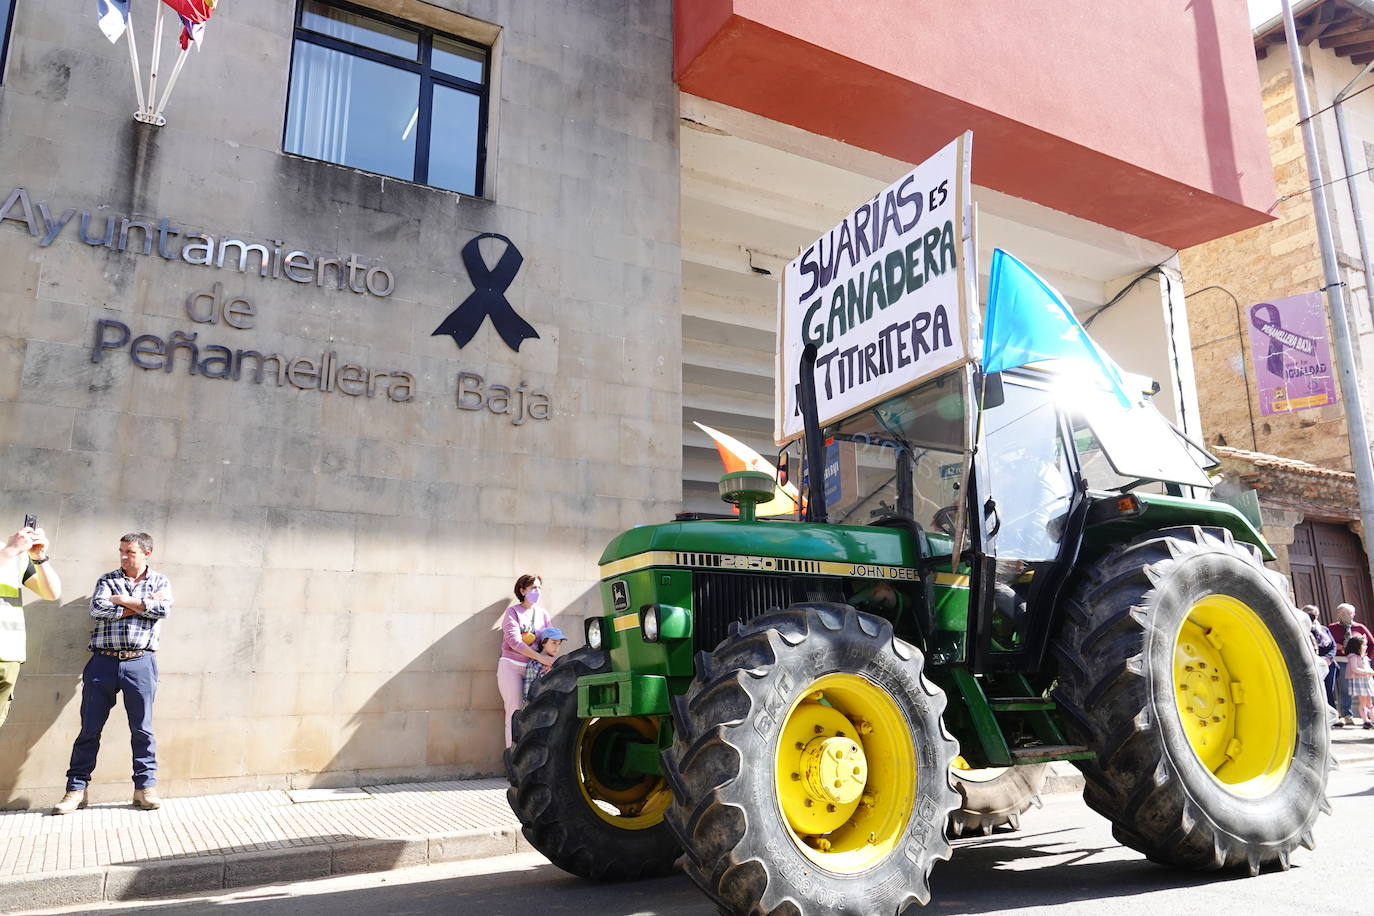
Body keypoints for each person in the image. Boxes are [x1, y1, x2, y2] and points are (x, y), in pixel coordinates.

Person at [52, 533, 173, 815]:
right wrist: (141, 604)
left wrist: (123, 601)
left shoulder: (160, 581)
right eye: (121, 551)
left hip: (140, 662)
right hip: (102, 663)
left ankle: (144, 789)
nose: (123, 556)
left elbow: (164, 608)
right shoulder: (107, 579)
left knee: (142, 729)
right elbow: (98, 609)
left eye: (129, 552)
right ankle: (76, 790)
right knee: (89, 729)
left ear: (146, 553)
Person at [0, 522, 62, 728]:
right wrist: (10, 551)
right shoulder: (9, 551)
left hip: (7, 658)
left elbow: (51, 593)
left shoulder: (13, 553)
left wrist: (38, 557)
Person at [497, 574, 557, 748]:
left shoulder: (543, 614)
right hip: (511, 667)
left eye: (539, 588)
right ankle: (512, 757)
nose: (537, 591)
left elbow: (550, 640)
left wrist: (549, 661)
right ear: (523, 591)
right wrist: (541, 657)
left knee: (535, 711)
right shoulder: (513, 612)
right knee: (515, 712)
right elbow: (514, 642)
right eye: (533, 588)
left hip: (535, 669)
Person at [1329, 604, 1374, 727]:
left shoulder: (1360, 627)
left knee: (1367, 689)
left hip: (1360, 662)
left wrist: (1367, 657)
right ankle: (1347, 714)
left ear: (1354, 614)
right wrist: (1336, 647)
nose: (1347, 616)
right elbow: (1328, 643)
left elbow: (1371, 644)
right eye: (1343, 613)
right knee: (1345, 688)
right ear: (1338, 614)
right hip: (1342, 661)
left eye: (1349, 613)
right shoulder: (1332, 628)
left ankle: (1370, 716)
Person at [1302, 605, 1339, 712]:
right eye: (1312, 615)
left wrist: (1328, 658)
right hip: (1312, 664)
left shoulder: (1324, 629)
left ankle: (1332, 712)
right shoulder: (1304, 629)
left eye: (1316, 615)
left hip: (1328, 663)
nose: (1315, 617)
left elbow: (1333, 646)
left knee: (1329, 689)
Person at [522, 626, 567, 700]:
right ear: (543, 643)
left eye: (559, 644)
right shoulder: (534, 664)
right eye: (554, 643)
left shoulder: (558, 663)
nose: (557, 647)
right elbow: (528, 695)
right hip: (538, 706)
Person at [1343, 634, 1374, 729]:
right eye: (1364, 645)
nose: (1366, 647)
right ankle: (1366, 721)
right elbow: (1354, 668)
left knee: (1369, 702)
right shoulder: (1353, 657)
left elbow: (1368, 668)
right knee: (1363, 702)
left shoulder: (1364, 657)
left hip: (1366, 681)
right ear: (1357, 646)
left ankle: (1372, 719)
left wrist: (1371, 672)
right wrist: (1366, 672)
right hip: (1360, 681)